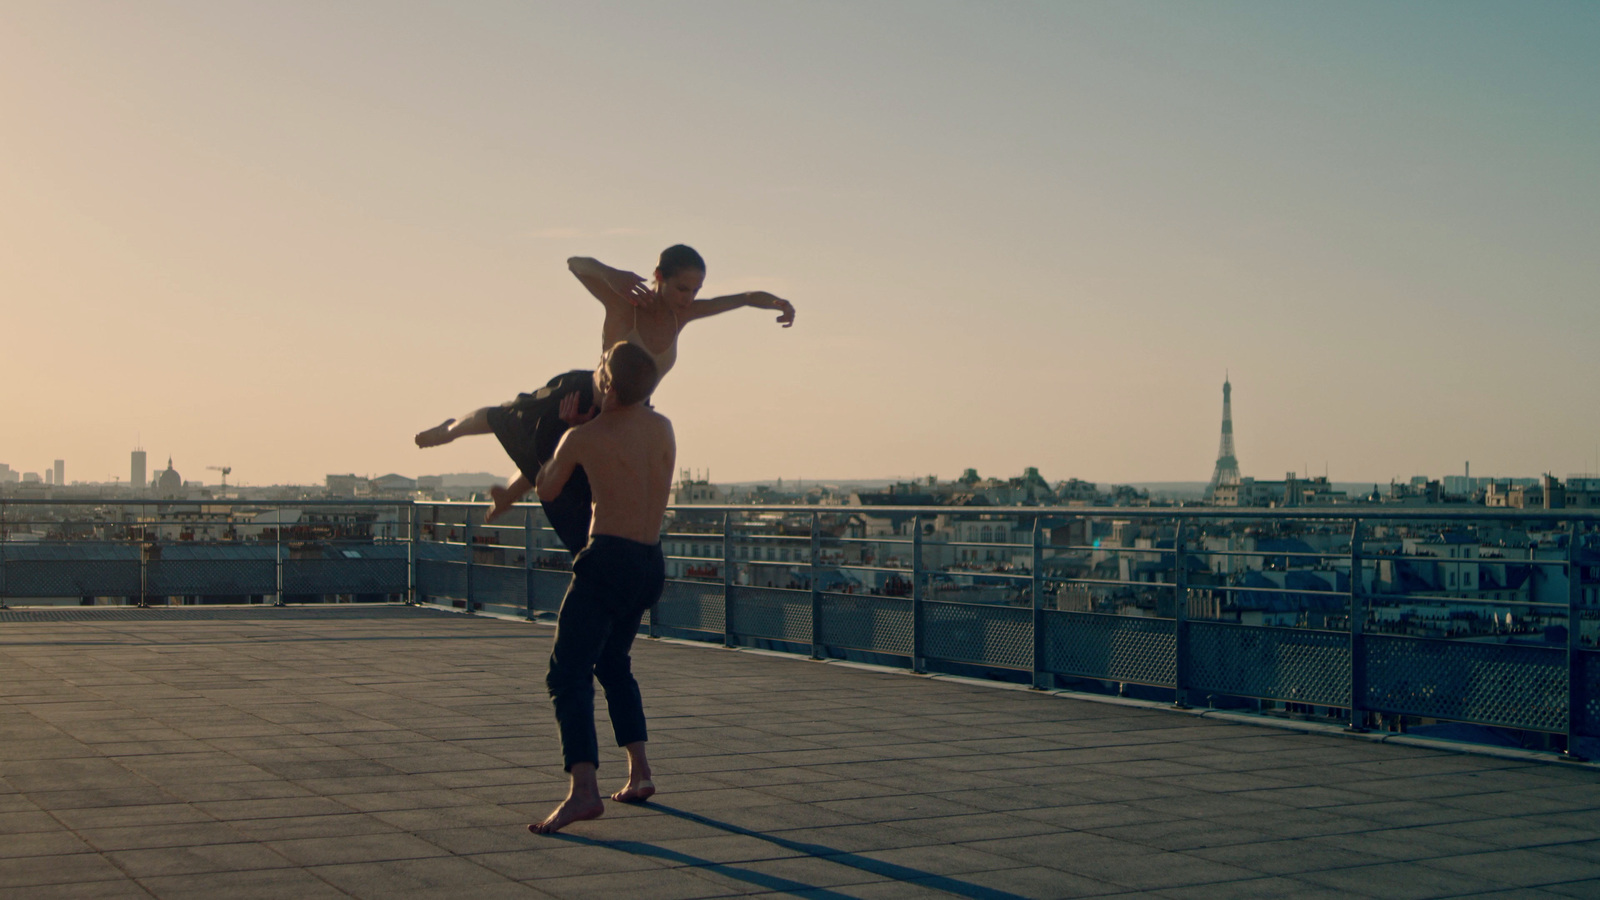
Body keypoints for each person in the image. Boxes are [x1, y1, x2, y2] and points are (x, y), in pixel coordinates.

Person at [414, 245, 794, 550]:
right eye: (682, 288)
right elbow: (574, 263)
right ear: (658, 277)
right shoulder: (622, 304)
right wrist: (611, 275)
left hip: (628, 416)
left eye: (695, 290)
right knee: (506, 417)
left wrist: (778, 302)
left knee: (564, 470)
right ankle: (449, 430)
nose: (688, 298)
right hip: (585, 397)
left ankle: (507, 497)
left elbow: (744, 297)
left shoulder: (685, 315)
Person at [528, 341, 675, 835]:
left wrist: (568, 433)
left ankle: (584, 790)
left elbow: (547, 488)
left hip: (607, 559)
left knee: (566, 673)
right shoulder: (663, 427)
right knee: (613, 663)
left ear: (607, 384)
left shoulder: (586, 436)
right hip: (650, 562)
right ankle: (640, 772)